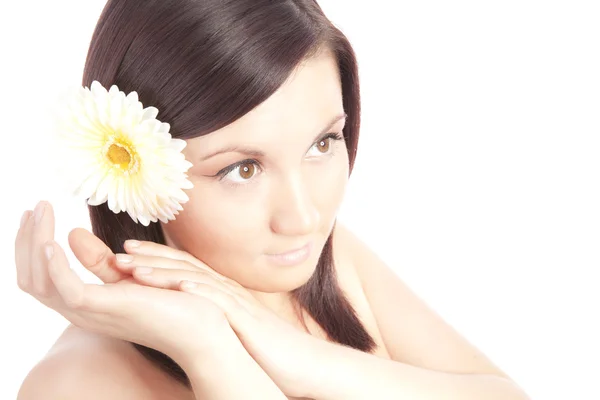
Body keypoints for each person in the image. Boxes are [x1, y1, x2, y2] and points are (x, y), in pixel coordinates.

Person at [15, 0, 530, 399]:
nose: (304, 216)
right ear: (134, 169)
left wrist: (300, 358)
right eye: (243, 169)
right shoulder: (75, 383)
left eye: (322, 143)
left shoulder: (324, 262)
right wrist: (209, 348)